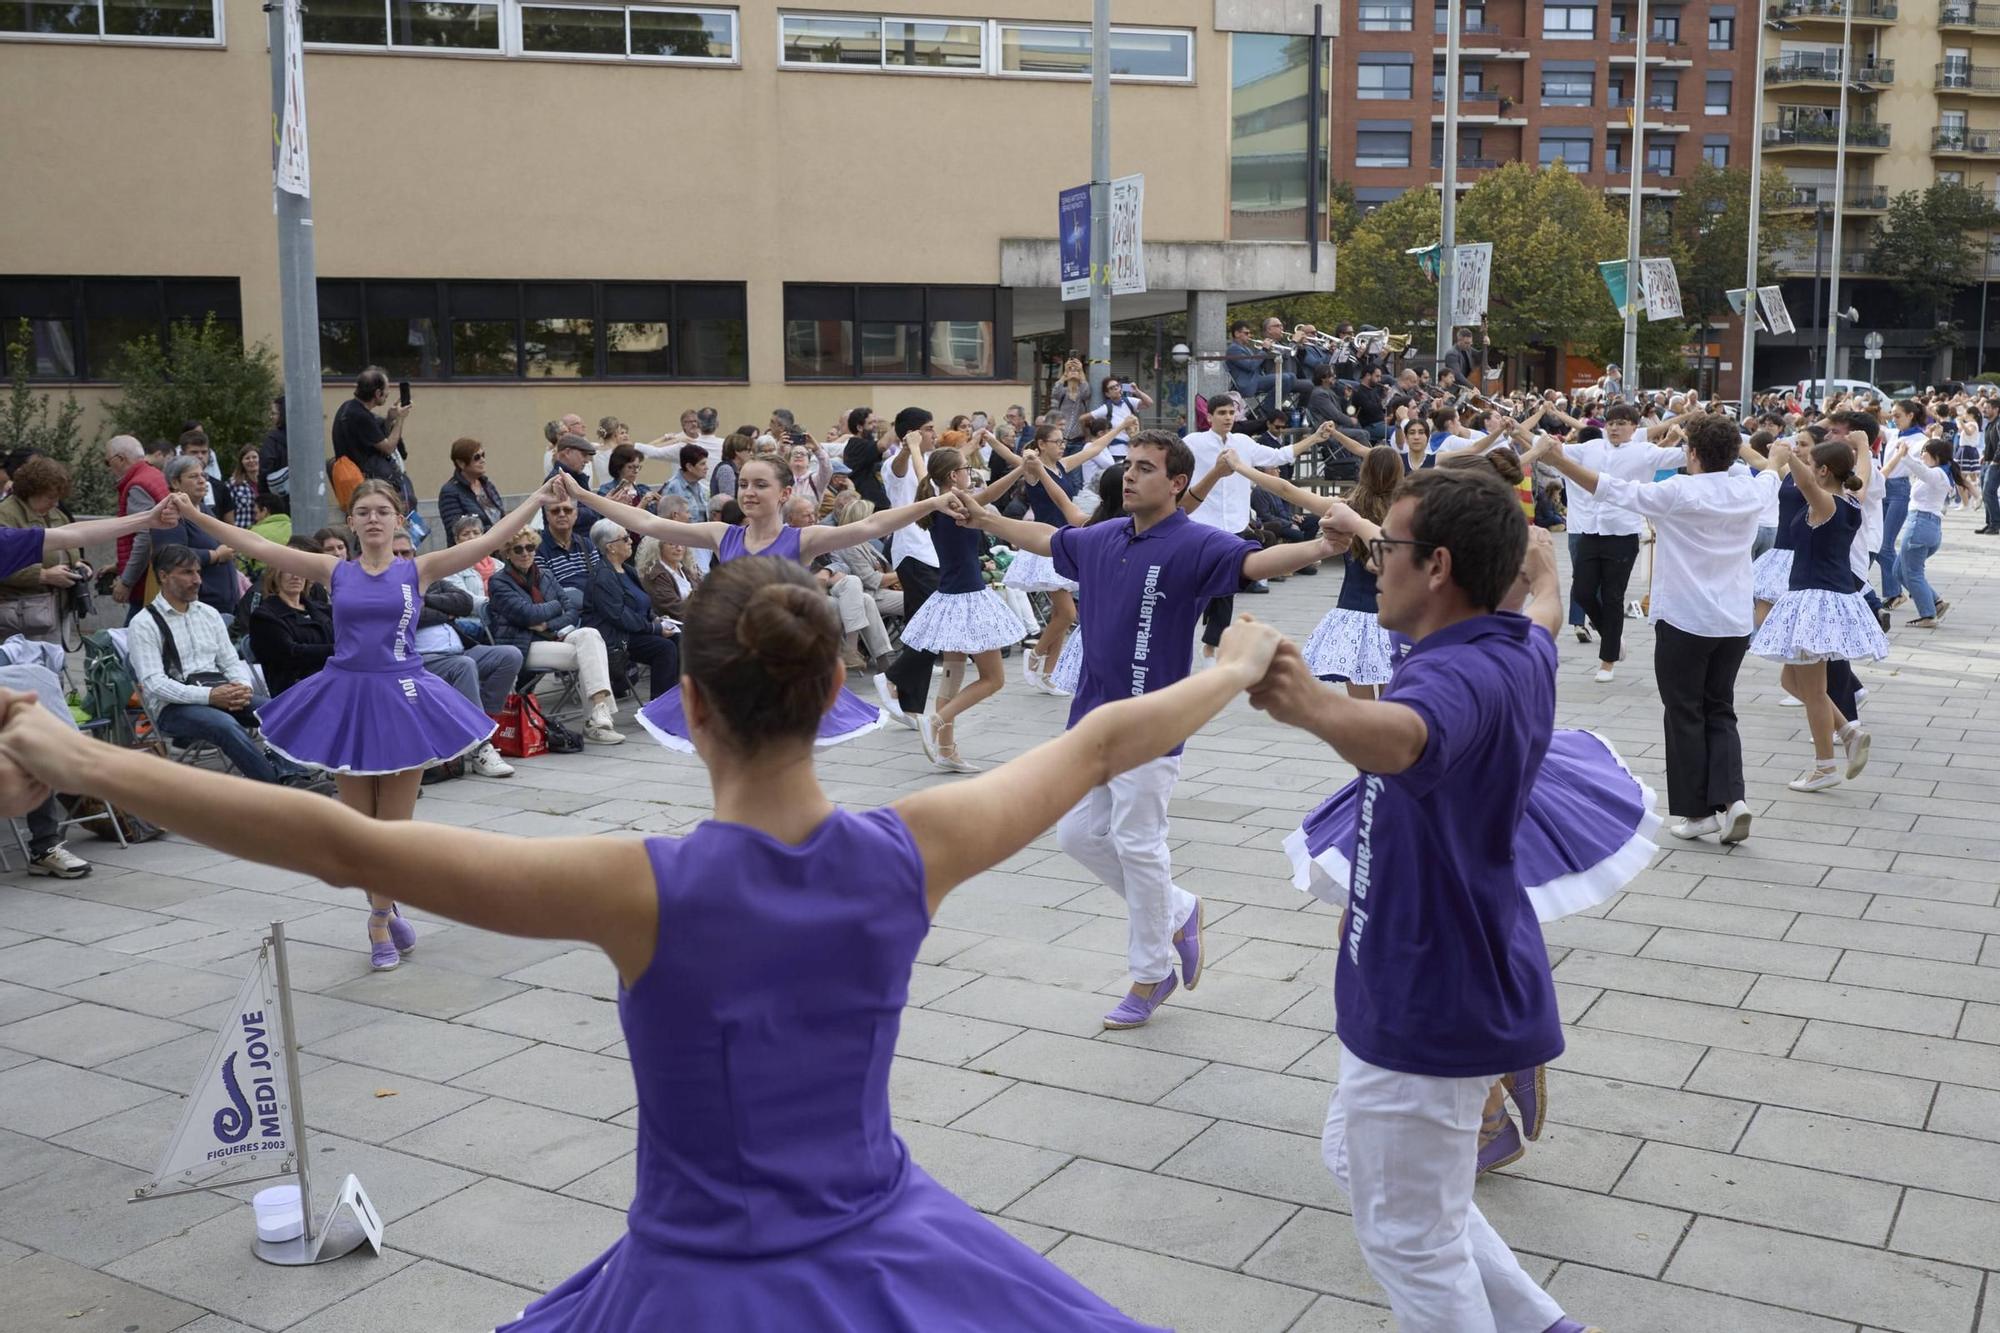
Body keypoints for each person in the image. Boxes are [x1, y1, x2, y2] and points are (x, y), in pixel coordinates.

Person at [0, 555, 1286, 1332]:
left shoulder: (643, 890)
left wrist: (77, 752)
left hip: (699, 1279)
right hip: (887, 1246)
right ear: (833, 695)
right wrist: (1229, 664)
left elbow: (345, 846)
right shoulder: (910, 850)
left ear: (694, 708)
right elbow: (1105, 738)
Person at [1243, 466, 1599, 1333]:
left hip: (1429, 993)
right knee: (1363, 1165)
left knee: (1409, 1237)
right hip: (1433, 968)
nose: (1373, 563)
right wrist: (1545, 574)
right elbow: (1545, 615)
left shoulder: (1457, 678)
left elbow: (1405, 737)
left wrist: (1310, 704)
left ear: (1437, 565)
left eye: (1386, 546)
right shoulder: (1516, 646)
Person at [951, 430, 1342, 1029]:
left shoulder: (1194, 543)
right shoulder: (1103, 537)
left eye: (1145, 468)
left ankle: (1150, 972)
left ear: (1178, 482)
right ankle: (1179, 909)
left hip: (1154, 723)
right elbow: (1046, 538)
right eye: (1128, 466)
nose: (1129, 476)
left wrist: (1320, 545)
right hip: (1091, 722)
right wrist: (984, 519)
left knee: (1138, 844)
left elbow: (1256, 561)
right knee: (1078, 836)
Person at [168, 478, 560, 968]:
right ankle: (387, 905)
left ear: (399, 519)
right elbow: (257, 544)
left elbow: (487, 539)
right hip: (347, 699)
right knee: (358, 833)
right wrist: (196, 515)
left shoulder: (420, 569)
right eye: (364, 512)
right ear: (351, 522)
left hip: (403, 700)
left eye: (382, 511)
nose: (373, 519)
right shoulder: (332, 570)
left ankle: (377, 923)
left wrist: (535, 500)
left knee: (391, 833)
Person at [569, 459, 948, 752]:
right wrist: (582, 495)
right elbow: (648, 523)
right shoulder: (723, 535)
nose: (748, 492)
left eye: (760, 485)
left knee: (780, 759)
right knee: (738, 761)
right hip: (731, 667)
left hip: (782, 668)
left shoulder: (802, 539)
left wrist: (931, 502)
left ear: (784, 493)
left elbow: (871, 526)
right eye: (744, 484)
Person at [1543, 414, 1770, 842]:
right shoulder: (1749, 488)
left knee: (1685, 710)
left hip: (1686, 618)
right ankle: (1733, 798)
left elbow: (1610, 488)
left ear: (1693, 453)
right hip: (1734, 620)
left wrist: (1559, 458)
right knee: (1720, 707)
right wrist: (1756, 453)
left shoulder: (1678, 490)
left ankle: (1699, 813)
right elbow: (1771, 468)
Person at [1748, 438, 1889, 792]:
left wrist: (1788, 456)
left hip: (1816, 601)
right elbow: (1862, 472)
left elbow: (1807, 483)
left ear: (1824, 471)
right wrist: (1863, 448)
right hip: (1821, 596)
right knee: (1791, 681)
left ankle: (1825, 768)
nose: (1807, 470)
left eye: (1813, 464)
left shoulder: (1826, 504)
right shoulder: (1853, 499)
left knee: (1813, 690)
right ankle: (1848, 731)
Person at [127, 544, 314, 788]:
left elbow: (230, 661)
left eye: (198, 572)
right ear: (163, 576)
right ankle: (277, 788)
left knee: (277, 712)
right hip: (172, 708)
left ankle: (294, 775)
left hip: (221, 694)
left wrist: (242, 687)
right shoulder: (143, 623)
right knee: (224, 725)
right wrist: (211, 696)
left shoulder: (208, 613)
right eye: (187, 573)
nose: (197, 580)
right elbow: (155, 684)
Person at [899, 449, 1025, 773]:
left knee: (953, 677)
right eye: (965, 468)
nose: (970, 472)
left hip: (949, 598)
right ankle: (935, 721)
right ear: (954, 476)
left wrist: (917, 450)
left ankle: (945, 749)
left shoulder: (934, 501)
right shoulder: (955, 505)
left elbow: (924, 471)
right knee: (993, 678)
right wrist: (1021, 468)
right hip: (968, 597)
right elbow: (989, 493)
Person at [1566, 405, 1686, 683]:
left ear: (1635, 428)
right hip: (1590, 530)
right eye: (1610, 423)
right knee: (1582, 592)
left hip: (1622, 533)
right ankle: (1612, 636)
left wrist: (1685, 433)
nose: (1614, 428)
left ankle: (1607, 661)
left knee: (1612, 596)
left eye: (1621, 423)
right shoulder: (1592, 447)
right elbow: (1552, 451)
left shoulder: (1645, 451)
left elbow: (1684, 456)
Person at [392, 529, 519, 779]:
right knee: (464, 666)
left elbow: (463, 602)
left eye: (405, 553)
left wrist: (425, 600)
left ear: (414, 554)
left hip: (461, 649)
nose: (400, 558)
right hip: (420, 662)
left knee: (509, 656)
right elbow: (406, 617)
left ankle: (482, 724)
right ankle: (480, 747)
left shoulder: (429, 579)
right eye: (393, 553)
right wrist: (440, 611)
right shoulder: (383, 586)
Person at [489, 528, 623, 745]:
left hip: (553, 636)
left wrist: (546, 623)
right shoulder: (499, 582)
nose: (525, 553)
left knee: (590, 635)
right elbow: (527, 614)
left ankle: (599, 711)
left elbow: (571, 610)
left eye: (530, 547)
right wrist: (553, 607)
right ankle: (594, 724)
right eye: (518, 549)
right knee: (589, 654)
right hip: (524, 645)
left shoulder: (546, 575)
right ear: (507, 553)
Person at [878, 409, 944, 725]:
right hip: (913, 556)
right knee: (931, 627)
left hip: (932, 556)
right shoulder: (895, 463)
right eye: (929, 429)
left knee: (925, 630)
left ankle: (911, 707)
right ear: (914, 433)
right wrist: (908, 446)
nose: (935, 434)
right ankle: (891, 678)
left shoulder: (929, 462)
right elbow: (900, 467)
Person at [119, 457, 240, 623]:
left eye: (203, 475)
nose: (202, 480)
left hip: (220, 607)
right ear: (175, 482)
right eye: (193, 476)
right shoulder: (170, 514)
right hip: (194, 608)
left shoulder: (204, 510)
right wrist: (215, 555)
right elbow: (170, 555)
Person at [583, 520, 680, 701]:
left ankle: (680, 698)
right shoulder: (603, 577)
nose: (631, 542)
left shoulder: (627, 570)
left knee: (679, 637)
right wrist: (655, 629)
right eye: (625, 538)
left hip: (635, 631)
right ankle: (659, 709)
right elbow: (620, 616)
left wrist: (657, 619)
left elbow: (642, 604)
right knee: (664, 648)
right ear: (611, 547)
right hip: (617, 637)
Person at [0, 456, 81, 643]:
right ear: (32, 491)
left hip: (56, 610)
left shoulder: (56, 514)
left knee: (53, 667)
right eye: (51, 497)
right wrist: (44, 575)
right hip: (20, 615)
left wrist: (79, 565)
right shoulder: (6, 515)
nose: (55, 503)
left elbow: (71, 546)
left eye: (58, 498)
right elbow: (4, 562)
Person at [248, 543, 336, 698]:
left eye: (300, 570)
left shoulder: (324, 610)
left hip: (334, 681)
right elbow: (292, 654)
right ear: (276, 573)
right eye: (289, 570)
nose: (296, 576)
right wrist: (339, 650)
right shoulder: (265, 617)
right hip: (297, 691)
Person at [1887, 434, 1954, 628]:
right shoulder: (1942, 472)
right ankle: (1936, 603)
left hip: (1920, 525)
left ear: (1936, 456)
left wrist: (1904, 456)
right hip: (1925, 526)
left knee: (1913, 572)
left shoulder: (1939, 473)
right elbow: (1922, 469)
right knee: (1899, 571)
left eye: (1925, 452)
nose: (1922, 454)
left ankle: (1928, 615)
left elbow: (1922, 471)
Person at [105, 435, 169, 615]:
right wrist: (119, 564)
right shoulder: (154, 475)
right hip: (157, 572)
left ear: (120, 459)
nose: (108, 468)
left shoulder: (137, 485)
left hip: (146, 582)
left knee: (131, 637)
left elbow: (143, 537)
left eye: (107, 461)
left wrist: (126, 581)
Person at [330, 367, 411, 487]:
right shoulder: (361, 416)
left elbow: (376, 437)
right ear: (378, 393)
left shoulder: (349, 407)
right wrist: (400, 419)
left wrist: (389, 419)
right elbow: (388, 447)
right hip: (365, 482)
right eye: (387, 388)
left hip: (353, 477)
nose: (388, 393)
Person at [438, 437, 506, 535]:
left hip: (499, 546)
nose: (482, 460)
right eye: (477, 457)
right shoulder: (450, 491)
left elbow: (501, 515)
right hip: (473, 548)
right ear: (461, 463)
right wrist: (498, 533)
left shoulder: (487, 485)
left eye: (483, 455)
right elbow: (457, 531)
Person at [538, 493, 597, 597]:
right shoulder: (537, 549)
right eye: (555, 511)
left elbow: (600, 580)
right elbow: (549, 592)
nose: (562, 514)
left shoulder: (587, 544)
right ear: (547, 516)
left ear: (576, 514)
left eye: (567, 510)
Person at [227, 448, 261, 528]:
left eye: (254, 457)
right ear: (241, 462)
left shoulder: (267, 482)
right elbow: (227, 510)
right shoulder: (233, 484)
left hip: (264, 532)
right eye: (247, 458)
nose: (251, 460)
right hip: (242, 530)